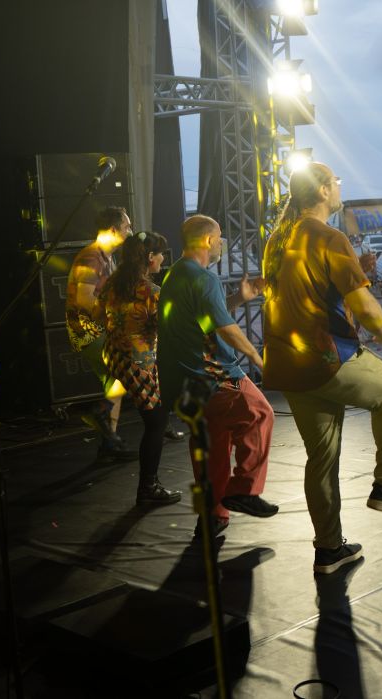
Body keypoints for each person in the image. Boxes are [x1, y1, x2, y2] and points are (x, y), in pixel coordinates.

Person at [262, 163, 382, 574]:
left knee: (321, 458)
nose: (340, 187)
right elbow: (362, 304)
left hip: (286, 364)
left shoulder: (278, 238)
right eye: (336, 182)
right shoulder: (328, 237)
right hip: (325, 357)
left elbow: (303, 291)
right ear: (323, 191)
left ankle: (329, 549)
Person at [158, 215, 277, 538]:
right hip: (215, 376)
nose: (222, 243)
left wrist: (238, 299)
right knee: (259, 414)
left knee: (212, 445)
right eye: (220, 236)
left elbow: (208, 317)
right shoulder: (204, 277)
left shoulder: (175, 274)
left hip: (184, 385)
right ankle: (244, 490)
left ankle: (212, 517)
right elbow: (224, 328)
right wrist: (257, 357)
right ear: (209, 240)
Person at [95, 230, 181, 506]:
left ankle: (105, 412)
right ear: (150, 257)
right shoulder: (151, 292)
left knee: (153, 416)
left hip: (114, 355)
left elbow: (98, 314)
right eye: (161, 254)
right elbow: (166, 328)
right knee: (156, 422)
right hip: (138, 363)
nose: (163, 259)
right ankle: (148, 487)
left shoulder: (113, 284)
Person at [66, 206, 135, 460]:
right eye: (127, 227)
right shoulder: (91, 258)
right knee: (124, 371)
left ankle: (109, 443)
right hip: (89, 332)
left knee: (115, 380)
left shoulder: (105, 257)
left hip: (96, 330)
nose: (130, 232)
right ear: (114, 230)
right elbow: (84, 300)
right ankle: (101, 413)